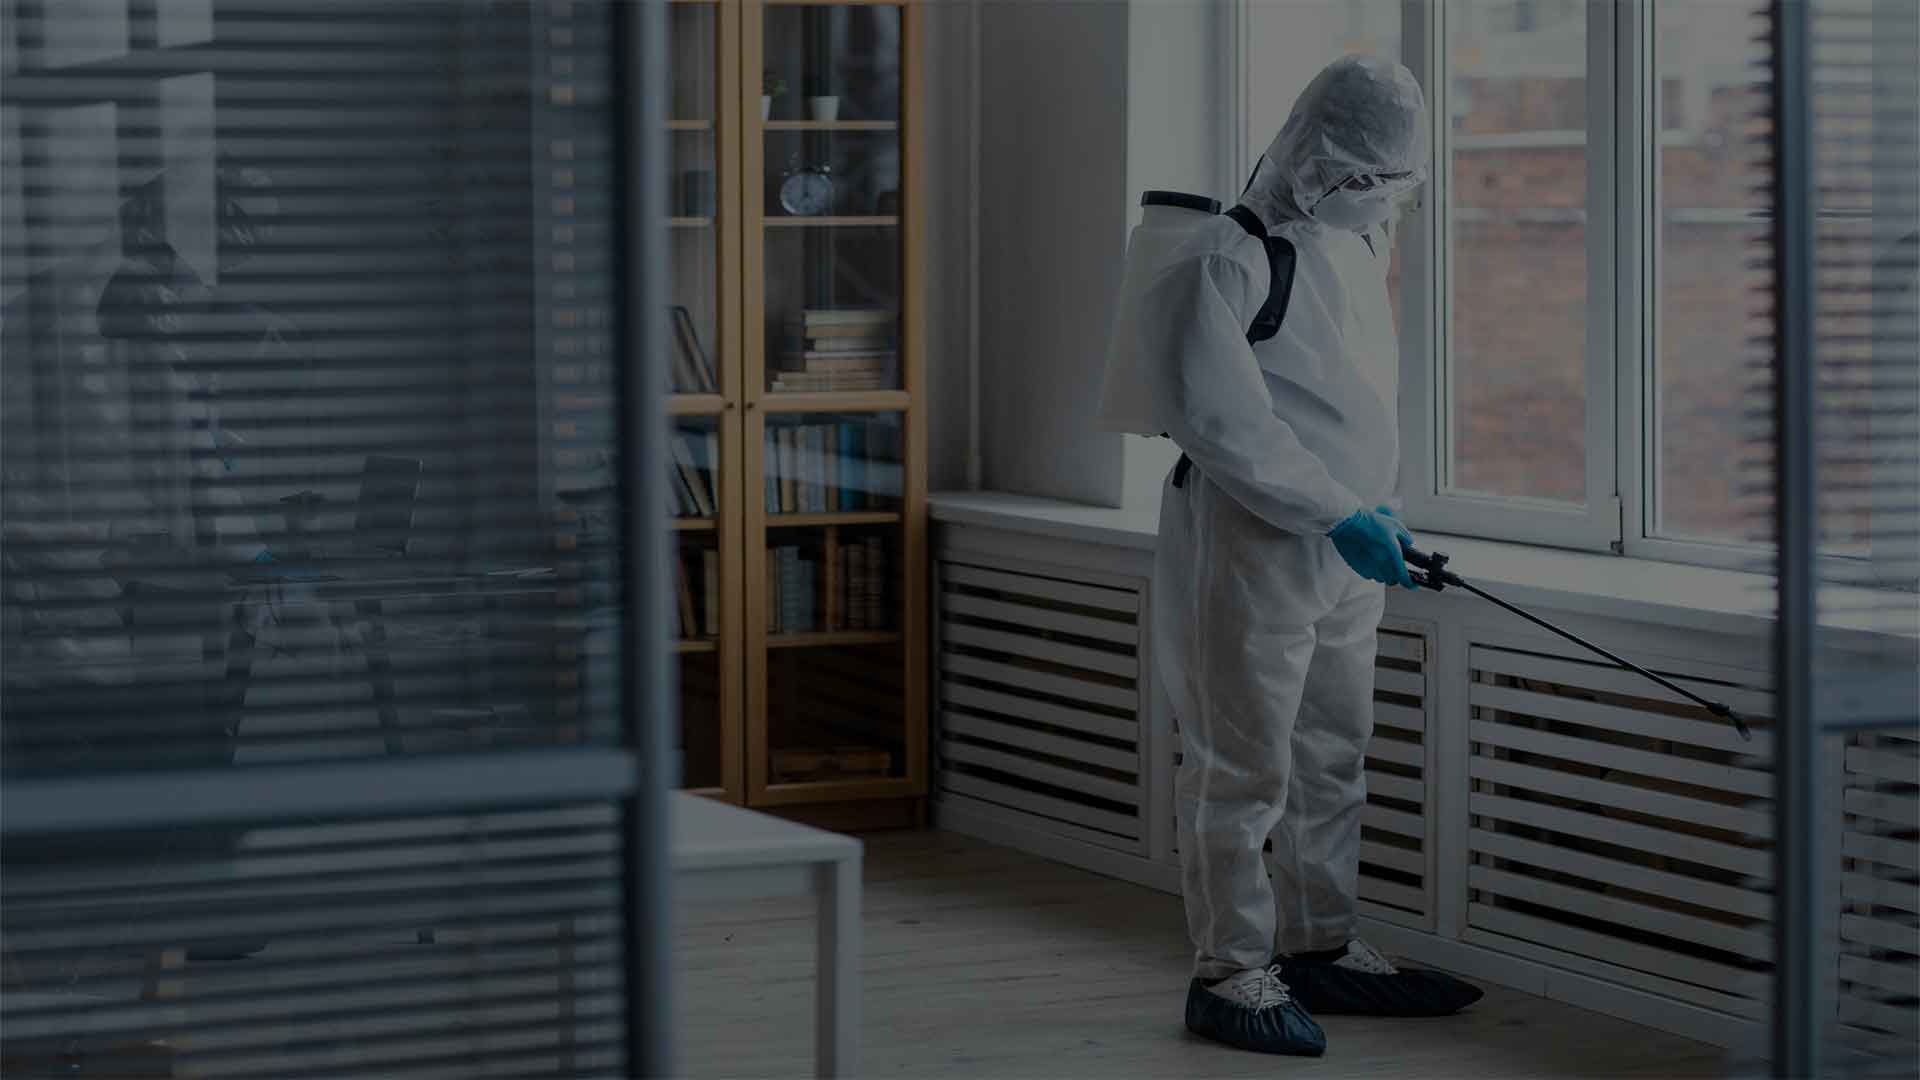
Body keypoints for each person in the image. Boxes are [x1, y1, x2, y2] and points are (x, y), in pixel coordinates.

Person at [1136, 55, 1483, 1057]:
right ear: (1312, 155)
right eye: (1361, 177)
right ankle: (1231, 969)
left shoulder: (1351, 246)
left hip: (1344, 546)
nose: (1375, 197)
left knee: (1334, 754)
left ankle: (1321, 945)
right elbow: (1221, 423)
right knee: (1241, 762)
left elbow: (1349, 402)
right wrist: (1338, 511)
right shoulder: (1222, 259)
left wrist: (1379, 512)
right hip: (1248, 546)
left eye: (1389, 182)